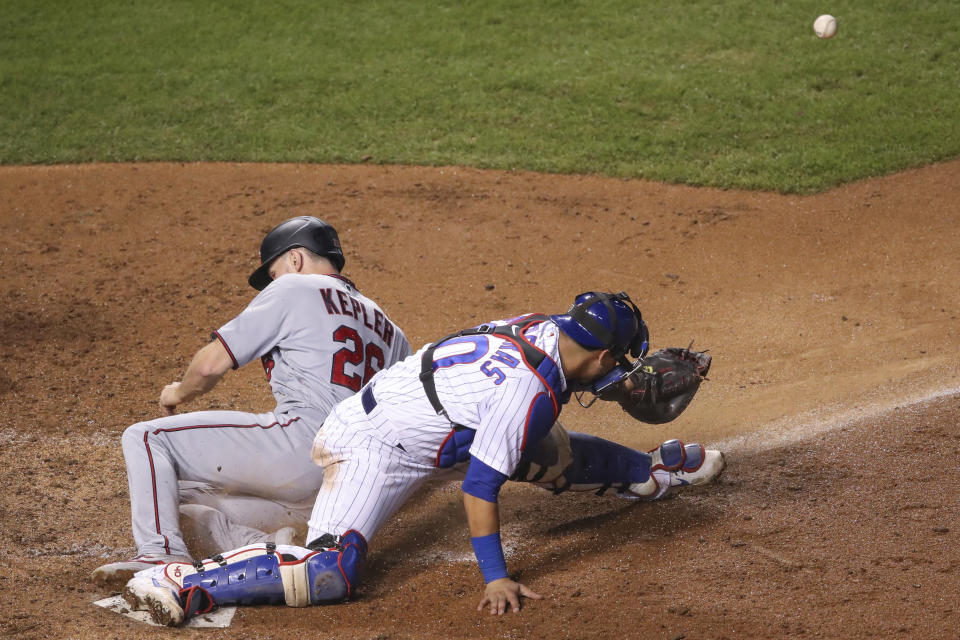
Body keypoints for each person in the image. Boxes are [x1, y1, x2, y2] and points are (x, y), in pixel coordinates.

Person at [119, 291, 724, 625]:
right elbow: (480, 491)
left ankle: (653, 472)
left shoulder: (546, 329)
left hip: (438, 414)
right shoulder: (527, 394)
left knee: (551, 455)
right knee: (330, 572)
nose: (626, 373)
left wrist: (605, 383)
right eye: (623, 362)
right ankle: (185, 580)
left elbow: (550, 392)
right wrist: (496, 578)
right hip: (373, 444)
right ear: (599, 355)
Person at [91, 216, 411, 588]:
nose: (274, 282)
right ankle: (266, 546)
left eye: (273, 272)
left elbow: (210, 366)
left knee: (147, 439)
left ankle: (160, 556)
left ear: (295, 260)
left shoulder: (294, 288)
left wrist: (178, 392)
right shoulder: (393, 332)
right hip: (350, 478)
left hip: (301, 443)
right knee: (181, 500)